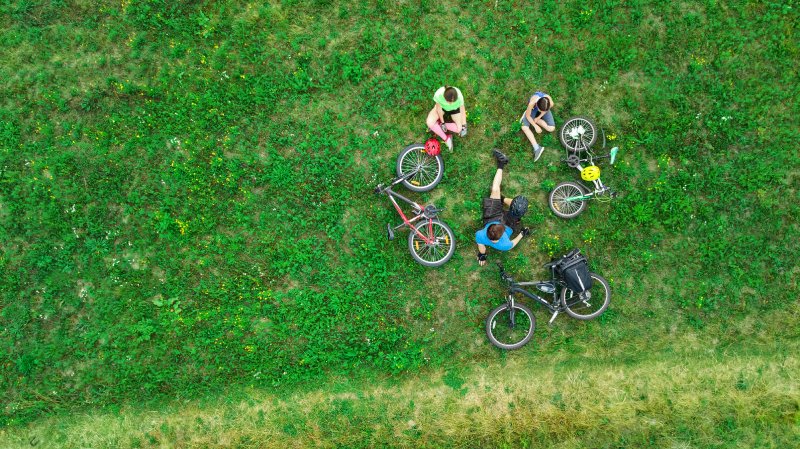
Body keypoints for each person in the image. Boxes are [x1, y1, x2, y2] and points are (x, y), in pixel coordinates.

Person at [476, 149, 531, 266]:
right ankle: (505, 200)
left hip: (492, 217)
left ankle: (501, 163)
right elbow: (514, 243)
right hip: (509, 223)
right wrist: (522, 234)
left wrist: (482, 255)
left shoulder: (480, 235)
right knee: (518, 207)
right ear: (502, 234)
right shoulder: (504, 245)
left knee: (495, 189)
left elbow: (481, 247)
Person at [426, 86, 467, 151]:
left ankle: (437, 126)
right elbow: (438, 108)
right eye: (449, 101)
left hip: (455, 110)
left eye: (453, 101)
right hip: (442, 108)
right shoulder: (439, 94)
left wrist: (464, 125)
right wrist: (442, 122)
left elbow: (462, 109)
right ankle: (446, 139)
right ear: (444, 97)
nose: (451, 103)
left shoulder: (459, 96)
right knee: (429, 122)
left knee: (459, 129)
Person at [520, 91, 555, 161]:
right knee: (524, 127)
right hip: (533, 108)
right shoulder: (532, 103)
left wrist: (538, 118)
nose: (541, 112)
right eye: (540, 110)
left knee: (551, 128)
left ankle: (533, 118)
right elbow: (528, 116)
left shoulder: (549, 102)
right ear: (537, 105)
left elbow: (546, 109)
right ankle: (537, 148)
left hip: (542, 107)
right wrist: (535, 125)